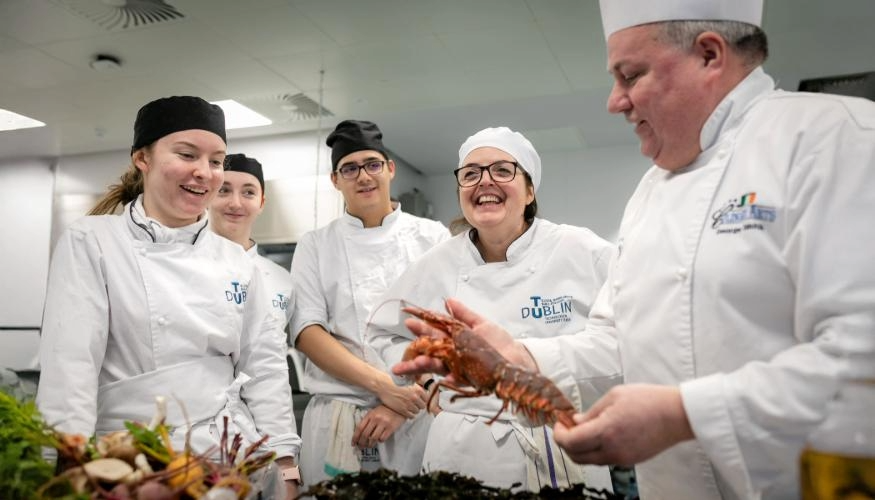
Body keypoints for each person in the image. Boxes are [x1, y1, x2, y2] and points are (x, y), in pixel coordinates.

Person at [393, 0, 875, 498]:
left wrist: (685, 414)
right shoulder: (651, 192)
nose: (615, 101)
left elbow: (863, 355)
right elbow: (618, 339)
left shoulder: (838, 138)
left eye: (631, 75)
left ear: (710, 55)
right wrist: (524, 357)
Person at [36, 96, 302, 496]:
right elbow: (70, 365)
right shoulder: (92, 240)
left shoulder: (236, 260)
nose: (204, 173)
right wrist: (66, 465)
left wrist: (285, 460)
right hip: (130, 459)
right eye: (186, 154)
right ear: (142, 158)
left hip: (226, 456)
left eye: (216, 161)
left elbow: (263, 366)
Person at [368, 127, 617, 492]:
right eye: (470, 174)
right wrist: (429, 383)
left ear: (530, 190)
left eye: (502, 170)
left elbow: (626, 339)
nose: (485, 181)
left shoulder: (579, 250)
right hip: (461, 449)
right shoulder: (437, 263)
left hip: (557, 445)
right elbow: (382, 330)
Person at [289, 119, 450, 487]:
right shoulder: (316, 244)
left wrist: (400, 403)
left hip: (416, 414)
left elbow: (446, 332)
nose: (363, 176)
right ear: (335, 180)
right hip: (339, 418)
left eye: (372, 164)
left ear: (390, 169)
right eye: (349, 168)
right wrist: (383, 387)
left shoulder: (432, 237)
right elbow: (307, 331)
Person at [209, 153, 293, 329]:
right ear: (207, 196)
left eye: (248, 192)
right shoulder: (186, 265)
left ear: (261, 203)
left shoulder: (282, 280)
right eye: (224, 190)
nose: (235, 203)